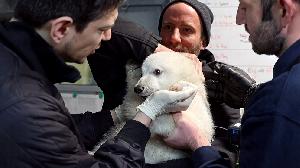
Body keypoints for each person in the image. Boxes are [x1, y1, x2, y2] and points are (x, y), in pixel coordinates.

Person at [0, 0, 199, 167]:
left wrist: (118, 114)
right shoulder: (27, 107)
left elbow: (64, 131)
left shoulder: (14, 66)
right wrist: (148, 110)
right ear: (61, 29)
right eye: (102, 29)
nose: (108, 37)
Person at [88, 0, 240, 167]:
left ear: (203, 41)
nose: (174, 38)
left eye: (186, 30)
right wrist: (155, 47)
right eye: (167, 27)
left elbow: (226, 153)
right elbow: (104, 24)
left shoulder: (217, 84)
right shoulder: (136, 70)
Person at [164, 0, 300, 167]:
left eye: (245, 7)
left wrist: (197, 142)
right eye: (167, 27)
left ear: (284, 11)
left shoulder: (276, 102)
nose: (238, 19)